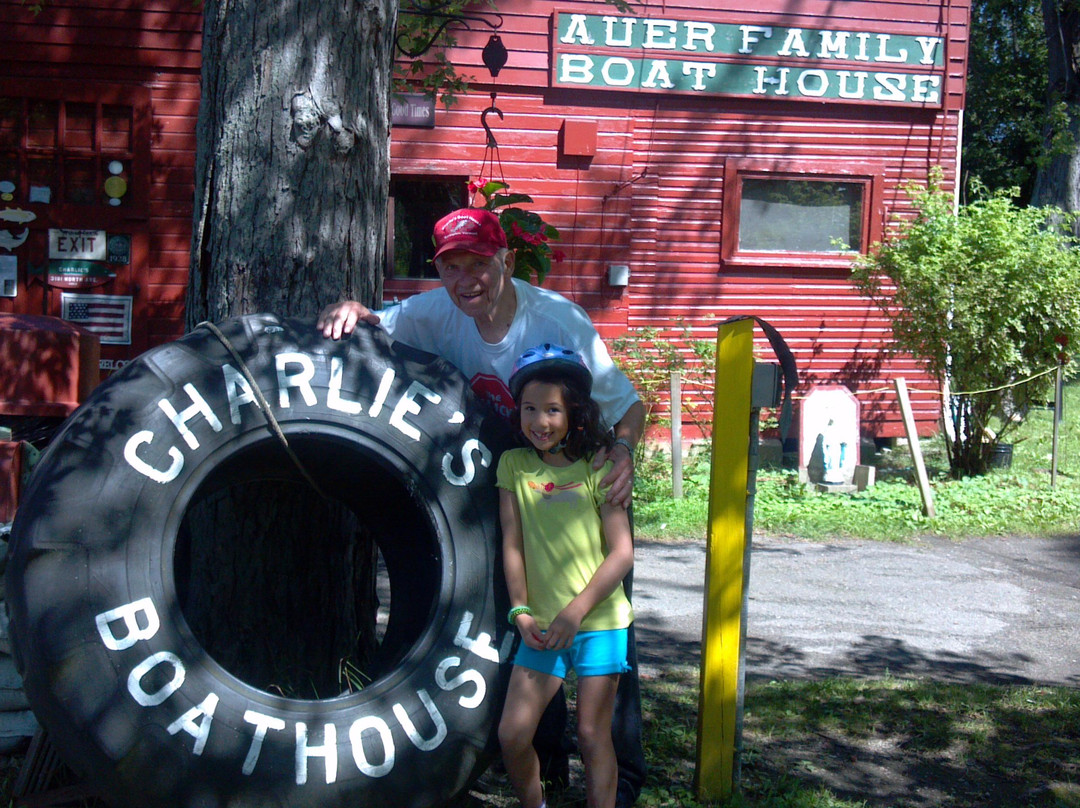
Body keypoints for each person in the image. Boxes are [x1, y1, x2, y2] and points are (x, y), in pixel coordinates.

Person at [317, 207, 646, 806]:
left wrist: (621, 452)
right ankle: (547, 775)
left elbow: (630, 405)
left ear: (507, 261)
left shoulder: (558, 318)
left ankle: (622, 784)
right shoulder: (433, 311)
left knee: (606, 648)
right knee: (526, 625)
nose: (467, 278)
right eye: (452, 266)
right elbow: (377, 324)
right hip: (508, 490)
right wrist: (352, 310)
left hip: (582, 489)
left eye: (479, 263)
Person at [497, 344, 634, 808]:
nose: (539, 421)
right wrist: (520, 611)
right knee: (513, 735)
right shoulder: (513, 466)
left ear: (574, 413)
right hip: (540, 628)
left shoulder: (598, 465)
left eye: (552, 409)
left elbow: (621, 554)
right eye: (529, 409)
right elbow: (511, 545)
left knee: (594, 734)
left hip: (597, 622)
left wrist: (575, 613)